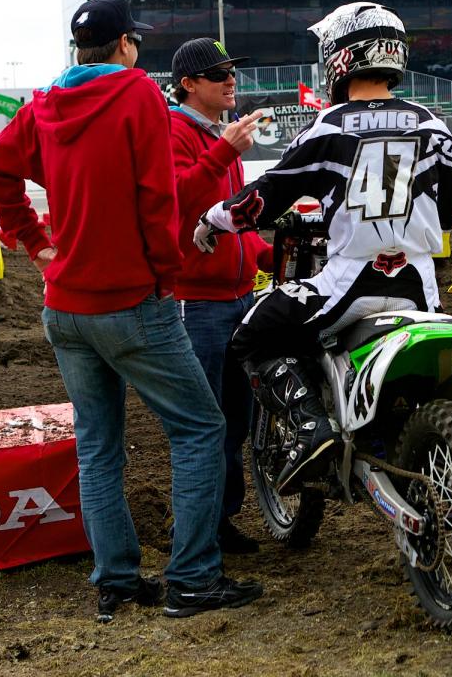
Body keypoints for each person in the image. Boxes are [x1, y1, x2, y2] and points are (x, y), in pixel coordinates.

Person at [0, 0, 262, 621]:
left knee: (98, 446)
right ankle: (192, 578)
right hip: (133, 301)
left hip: (65, 308)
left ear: (81, 49)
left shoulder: (47, 101)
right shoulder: (136, 94)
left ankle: (117, 581)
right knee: (200, 429)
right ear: (127, 45)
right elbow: (158, 197)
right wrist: (167, 272)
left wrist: (34, 240)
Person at [193, 1, 452, 494]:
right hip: (420, 287)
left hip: (350, 282)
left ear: (339, 56)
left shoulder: (332, 123)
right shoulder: (432, 122)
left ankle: (309, 427)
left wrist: (211, 220)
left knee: (251, 334)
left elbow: (262, 199)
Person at [169, 37, 273, 554]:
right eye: (217, 74)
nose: (230, 79)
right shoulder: (175, 131)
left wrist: (263, 254)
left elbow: (231, 219)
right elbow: (181, 203)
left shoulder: (216, 135)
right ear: (188, 84)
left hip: (233, 296)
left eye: (231, 70)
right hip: (196, 302)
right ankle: (195, 530)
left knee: (234, 417)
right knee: (205, 422)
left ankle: (219, 519)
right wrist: (223, 151)